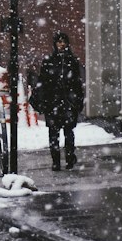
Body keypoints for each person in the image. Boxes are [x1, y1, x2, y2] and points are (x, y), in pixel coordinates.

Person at [31, 31, 84, 170]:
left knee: (68, 132)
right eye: (59, 42)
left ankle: (69, 157)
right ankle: (56, 161)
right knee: (54, 133)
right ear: (55, 44)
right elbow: (42, 81)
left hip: (68, 102)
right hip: (53, 102)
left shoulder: (72, 61)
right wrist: (41, 99)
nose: (62, 44)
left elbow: (77, 82)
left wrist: (78, 100)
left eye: (64, 41)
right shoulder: (49, 61)